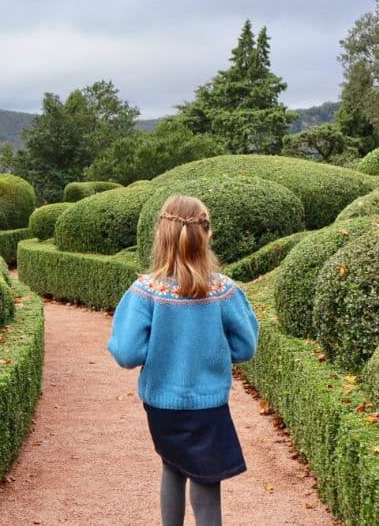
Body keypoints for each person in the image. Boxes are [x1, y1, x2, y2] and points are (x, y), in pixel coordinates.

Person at [107, 194, 260, 526]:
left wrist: (160, 351)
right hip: (209, 405)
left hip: (162, 406)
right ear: (207, 234)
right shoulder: (223, 290)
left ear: (160, 235)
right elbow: (246, 346)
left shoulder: (146, 291)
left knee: (172, 466)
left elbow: (127, 352)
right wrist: (214, 352)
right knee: (206, 481)